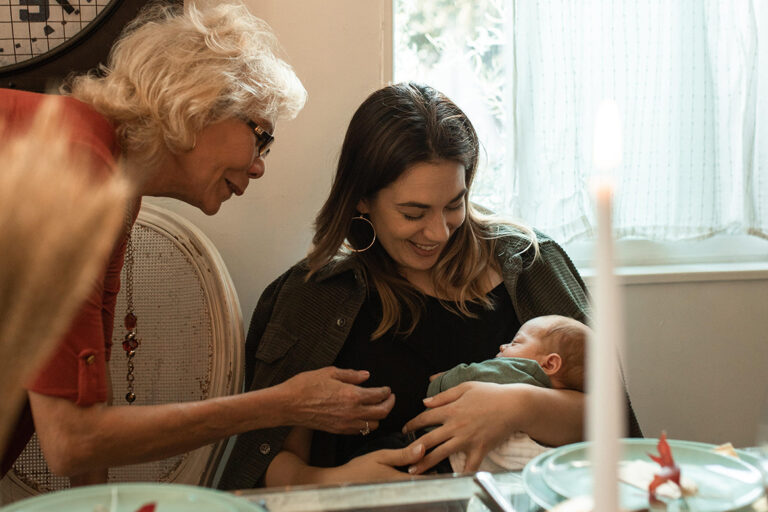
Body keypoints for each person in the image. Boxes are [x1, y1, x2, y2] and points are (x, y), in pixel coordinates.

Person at [0, 3, 394, 485]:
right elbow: (72, 440)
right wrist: (280, 405)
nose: (259, 167)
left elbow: (87, 411)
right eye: (261, 137)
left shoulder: (117, 194)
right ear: (202, 103)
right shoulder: (77, 170)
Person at [218, 82, 642, 489]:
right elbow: (264, 458)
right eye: (413, 212)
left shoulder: (529, 265)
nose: (438, 232)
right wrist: (335, 482)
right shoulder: (316, 296)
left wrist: (518, 406)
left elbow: (614, 423)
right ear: (362, 199)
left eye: (454, 205)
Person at [429, 314, 589, 473]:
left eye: (515, 343)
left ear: (549, 364)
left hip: (446, 455)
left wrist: (443, 380)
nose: (502, 346)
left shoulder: (520, 371)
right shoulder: (560, 410)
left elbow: (473, 375)